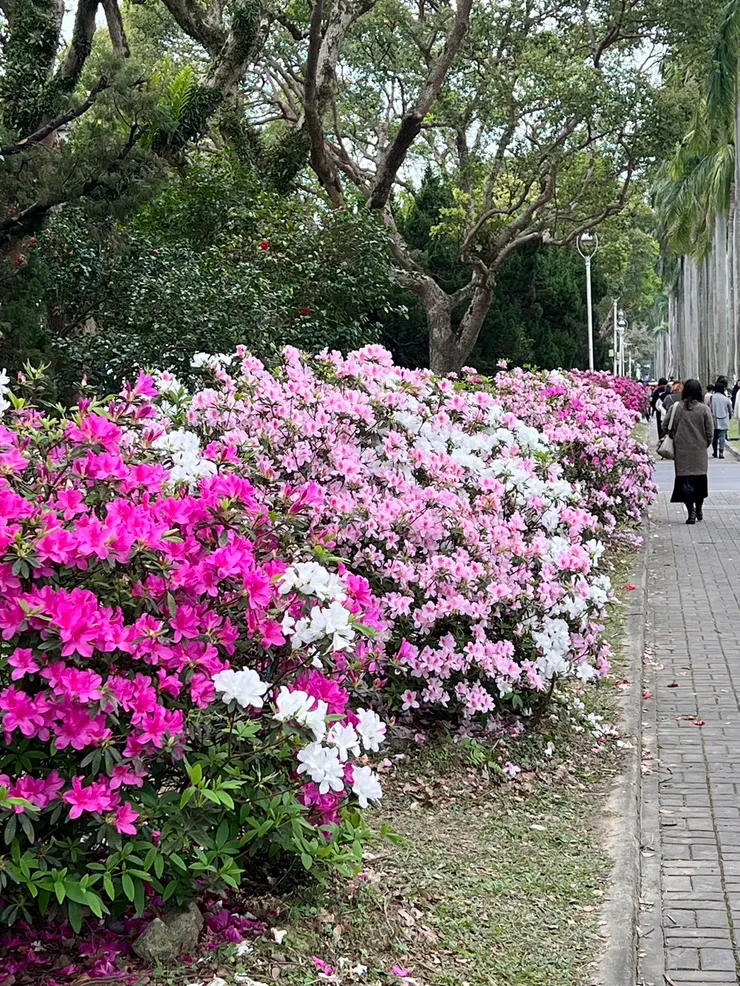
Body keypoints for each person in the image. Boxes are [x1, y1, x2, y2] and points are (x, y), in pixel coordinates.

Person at [668, 378, 714, 525]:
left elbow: (665, 425)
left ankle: (691, 512)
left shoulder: (677, 408)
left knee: (685, 482)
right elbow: (710, 432)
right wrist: (705, 444)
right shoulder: (704, 409)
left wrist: (676, 436)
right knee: (700, 482)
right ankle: (699, 508)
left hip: (682, 451)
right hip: (699, 451)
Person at [710, 380, 733, 458]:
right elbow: (730, 409)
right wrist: (730, 415)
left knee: (714, 437)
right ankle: (721, 452)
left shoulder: (712, 397)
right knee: (722, 436)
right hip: (723, 419)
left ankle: (714, 452)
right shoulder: (725, 398)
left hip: (713, 419)